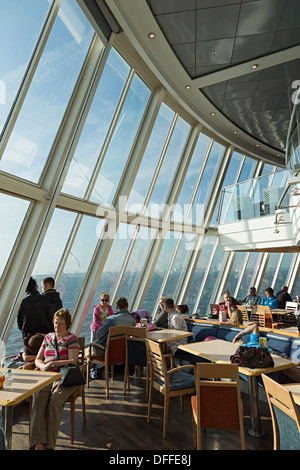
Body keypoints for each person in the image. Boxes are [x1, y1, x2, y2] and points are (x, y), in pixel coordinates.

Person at [29, 309, 80, 450]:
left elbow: (73, 361)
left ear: (67, 325)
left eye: (61, 324)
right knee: (38, 399)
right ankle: (39, 443)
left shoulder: (71, 339)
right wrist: (42, 366)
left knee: (54, 403)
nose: (57, 327)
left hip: (65, 377)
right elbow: (38, 359)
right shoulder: (48, 338)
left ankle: (50, 446)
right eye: (56, 323)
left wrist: (52, 364)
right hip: (47, 376)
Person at [164, 298, 188, 363]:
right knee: (161, 345)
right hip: (174, 338)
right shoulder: (170, 315)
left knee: (163, 347)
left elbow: (177, 333)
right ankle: (168, 364)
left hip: (180, 339)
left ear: (165, 307)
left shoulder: (176, 317)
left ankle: (171, 365)